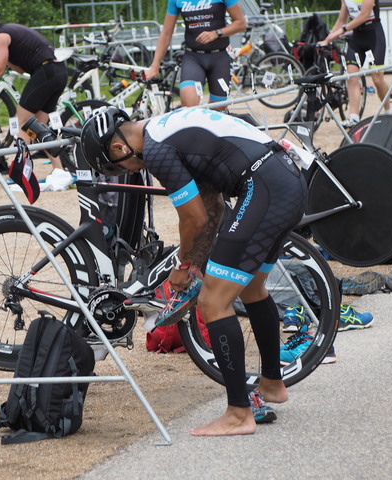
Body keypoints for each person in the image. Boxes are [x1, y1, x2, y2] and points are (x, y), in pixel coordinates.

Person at [80, 106, 308, 436]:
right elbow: (212, 208)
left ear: (118, 149)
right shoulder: (169, 130)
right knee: (251, 288)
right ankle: (272, 383)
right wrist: (196, 266)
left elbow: (193, 219)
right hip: (286, 180)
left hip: (264, 188)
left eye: (120, 169)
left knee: (213, 302)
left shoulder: (157, 149)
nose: (130, 171)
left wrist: (182, 266)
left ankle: (238, 414)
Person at [0, 5, 71, 185]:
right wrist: (0, 57)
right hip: (58, 71)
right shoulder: (7, 31)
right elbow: (20, 67)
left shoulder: (0, 36)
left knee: (22, 122)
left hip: (46, 72)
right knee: (39, 126)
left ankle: (17, 173)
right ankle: (60, 171)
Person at [145, 0, 247, 108]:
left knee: (218, 110)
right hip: (193, 58)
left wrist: (217, 33)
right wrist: (155, 65)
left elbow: (241, 24)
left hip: (219, 58)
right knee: (189, 103)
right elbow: (166, 33)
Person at [319, 0, 392, 127]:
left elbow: (364, 15)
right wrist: (327, 40)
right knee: (352, 77)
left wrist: (343, 29)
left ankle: (388, 111)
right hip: (357, 38)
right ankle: (354, 117)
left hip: (374, 36)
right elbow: (341, 20)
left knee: (377, 79)